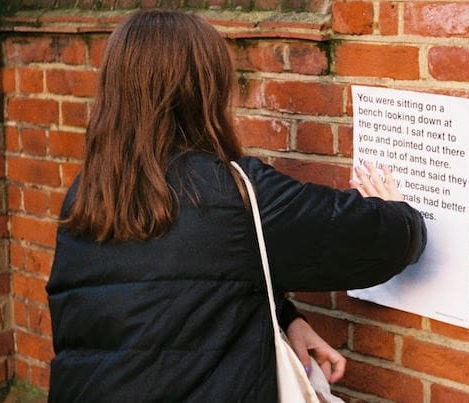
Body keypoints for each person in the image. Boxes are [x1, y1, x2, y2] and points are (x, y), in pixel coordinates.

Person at [46, 9, 426, 402]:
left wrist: (283, 316)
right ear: (202, 91)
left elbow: (172, 292)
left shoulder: (88, 197)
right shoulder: (233, 194)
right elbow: (381, 242)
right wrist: (397, 212)